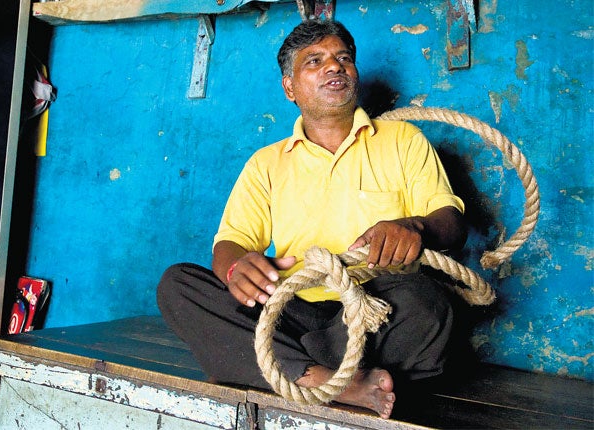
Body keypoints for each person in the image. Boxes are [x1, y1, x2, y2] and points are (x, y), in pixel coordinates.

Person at [157, 19, 466, 419]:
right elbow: (230, 244)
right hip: (292, 310)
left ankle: (281, 367)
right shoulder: (266, 163)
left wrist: (415, 227)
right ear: (289, 87)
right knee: (179, 285)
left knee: (427, 304)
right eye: (314, 61)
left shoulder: (404, 141)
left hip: (371, 309)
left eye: (343, 59)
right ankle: (334, 382)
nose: (334, 67)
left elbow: (451, 222)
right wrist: (238, 267)